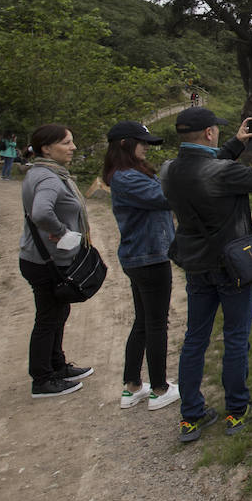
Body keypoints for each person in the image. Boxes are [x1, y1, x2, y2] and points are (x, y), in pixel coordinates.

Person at [161, 106, 252, 442]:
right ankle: (238, 409)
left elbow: (203, 166)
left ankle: (191, 416)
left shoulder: (169, 171)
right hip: (232, 266)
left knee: (195, 339)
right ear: (208, 133)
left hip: (196, 265)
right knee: (235, 337)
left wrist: (236, 144)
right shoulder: (223, 174)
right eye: (215, 130)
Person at [102, 121, 180, 412]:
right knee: (157, 322)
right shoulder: (127, 178)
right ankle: (159, 389)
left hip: (142, 257)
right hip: (150, 257)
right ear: (124, 144)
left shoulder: (126, 174)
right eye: (142, 142)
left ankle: (132, 385)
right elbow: (164, 198)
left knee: (144, 321)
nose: (147, 147)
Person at [18, 124, 94, 398]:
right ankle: (42, 378)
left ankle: (57, 365)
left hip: (41, 258)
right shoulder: (49, 178)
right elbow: (41, 212)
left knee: (58, 313)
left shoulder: (39, 172)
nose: (73, 147)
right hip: (45, 261)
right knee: (49, 317)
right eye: (66, 142)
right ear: (47, 149)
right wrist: (62, 232)